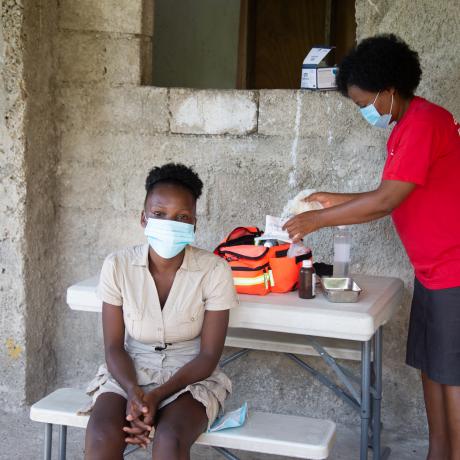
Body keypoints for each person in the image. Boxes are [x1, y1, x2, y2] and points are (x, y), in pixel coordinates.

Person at [283, 34, 460, 460]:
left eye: (364, 101)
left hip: (454, 271)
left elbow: (384, 202)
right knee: (433, 374)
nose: (363, 110)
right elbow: (390, 190)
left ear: (389, 91)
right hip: (433, 273)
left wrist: (317, 219)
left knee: (452, 379)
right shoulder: (405, 127)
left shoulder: (426, 122)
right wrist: (330, 198)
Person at [84, 163, 239, 460]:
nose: (170, 223)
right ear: (143, 219)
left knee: (169, 439)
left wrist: (156, 396)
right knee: (102, 434)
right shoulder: (117, 265)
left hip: (190, 376)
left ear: (194, 225)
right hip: (129, 371)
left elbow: (208, 357)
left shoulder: (214, 270)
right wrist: (133, 392)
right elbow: (114, 347)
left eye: (182, 217)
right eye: (159, 214)